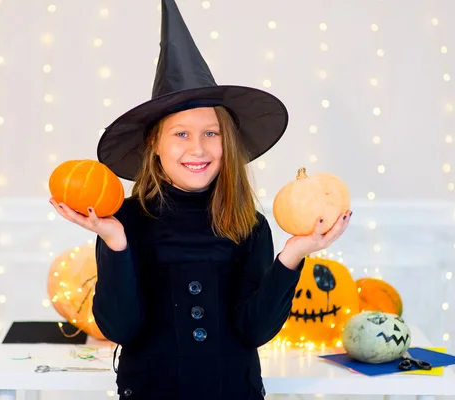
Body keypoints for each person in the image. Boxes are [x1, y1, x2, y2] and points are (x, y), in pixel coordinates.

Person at [51, 1, 352, 399]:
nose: (198, 148)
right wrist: (115, 243)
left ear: (228, 143)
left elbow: (254, 330)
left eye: (211, 133)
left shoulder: (250, 224)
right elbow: (120, 329)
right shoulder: (123, 222)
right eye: (180, 134)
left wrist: (293, 255)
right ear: (153, 145)